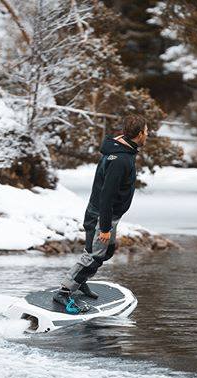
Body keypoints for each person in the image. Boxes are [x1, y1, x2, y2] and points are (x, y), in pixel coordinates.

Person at [54, 114, 149, 314]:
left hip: (101, 212)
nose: (147, 135)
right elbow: (107, 195)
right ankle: (64, 292)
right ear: (139, 134)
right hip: (102, 215)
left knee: (105, 251)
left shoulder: (119, 149)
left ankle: (79, 282)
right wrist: (104, 227)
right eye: (146, 131)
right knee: (95, 255)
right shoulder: (120, 159)